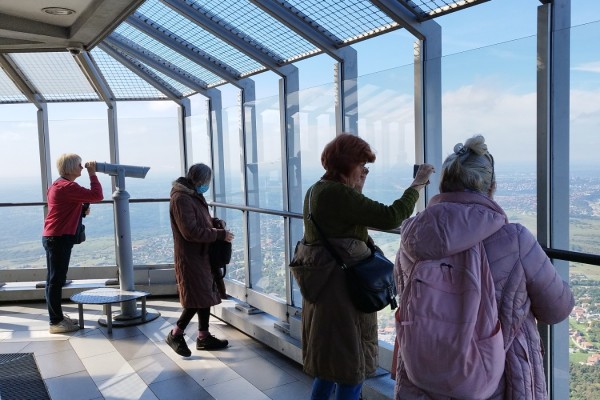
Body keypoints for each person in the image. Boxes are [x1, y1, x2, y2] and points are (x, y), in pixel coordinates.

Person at [393, 135, 575, 399]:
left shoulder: (412, 237)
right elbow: (557, 309)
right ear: (492, 187)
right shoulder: (515, 240)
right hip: (500, 382)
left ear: (443, 186)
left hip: (421, 378)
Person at [289, 133, 434, 400]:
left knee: (328, 365)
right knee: (350, 367)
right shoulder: (337, 193)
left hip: (324, 285)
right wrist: (418, 184)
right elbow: (390, 217)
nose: (364, 170)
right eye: (361, 164)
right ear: (347, 164)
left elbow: (343, 222)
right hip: (342, 291)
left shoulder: (317, 190)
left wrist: (357, 186)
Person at [166, 163, 234, 357]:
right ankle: (175, 334)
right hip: (191, 257)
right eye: (207, 181)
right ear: (200, 180)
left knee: (205, 295)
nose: (207, 185)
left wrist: (214, 223)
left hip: (202, 254)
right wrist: (219, 234)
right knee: (196, 297)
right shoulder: (181, 198)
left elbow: (200, 221)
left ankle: (203, 337)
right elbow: (190, 231)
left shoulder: (193, 195)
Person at [42, 154, 103, 334]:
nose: (82, 167)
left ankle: (57, 318)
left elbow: (63, 208)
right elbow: (97, 195)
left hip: (54, 237)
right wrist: (93, 174)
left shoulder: (58, 185)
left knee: (53, 280)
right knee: (55, 281)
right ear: (70, 168)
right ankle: (55, 322)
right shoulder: (68, 187)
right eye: (79, 165)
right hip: (59, 238)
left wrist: (81, 210)